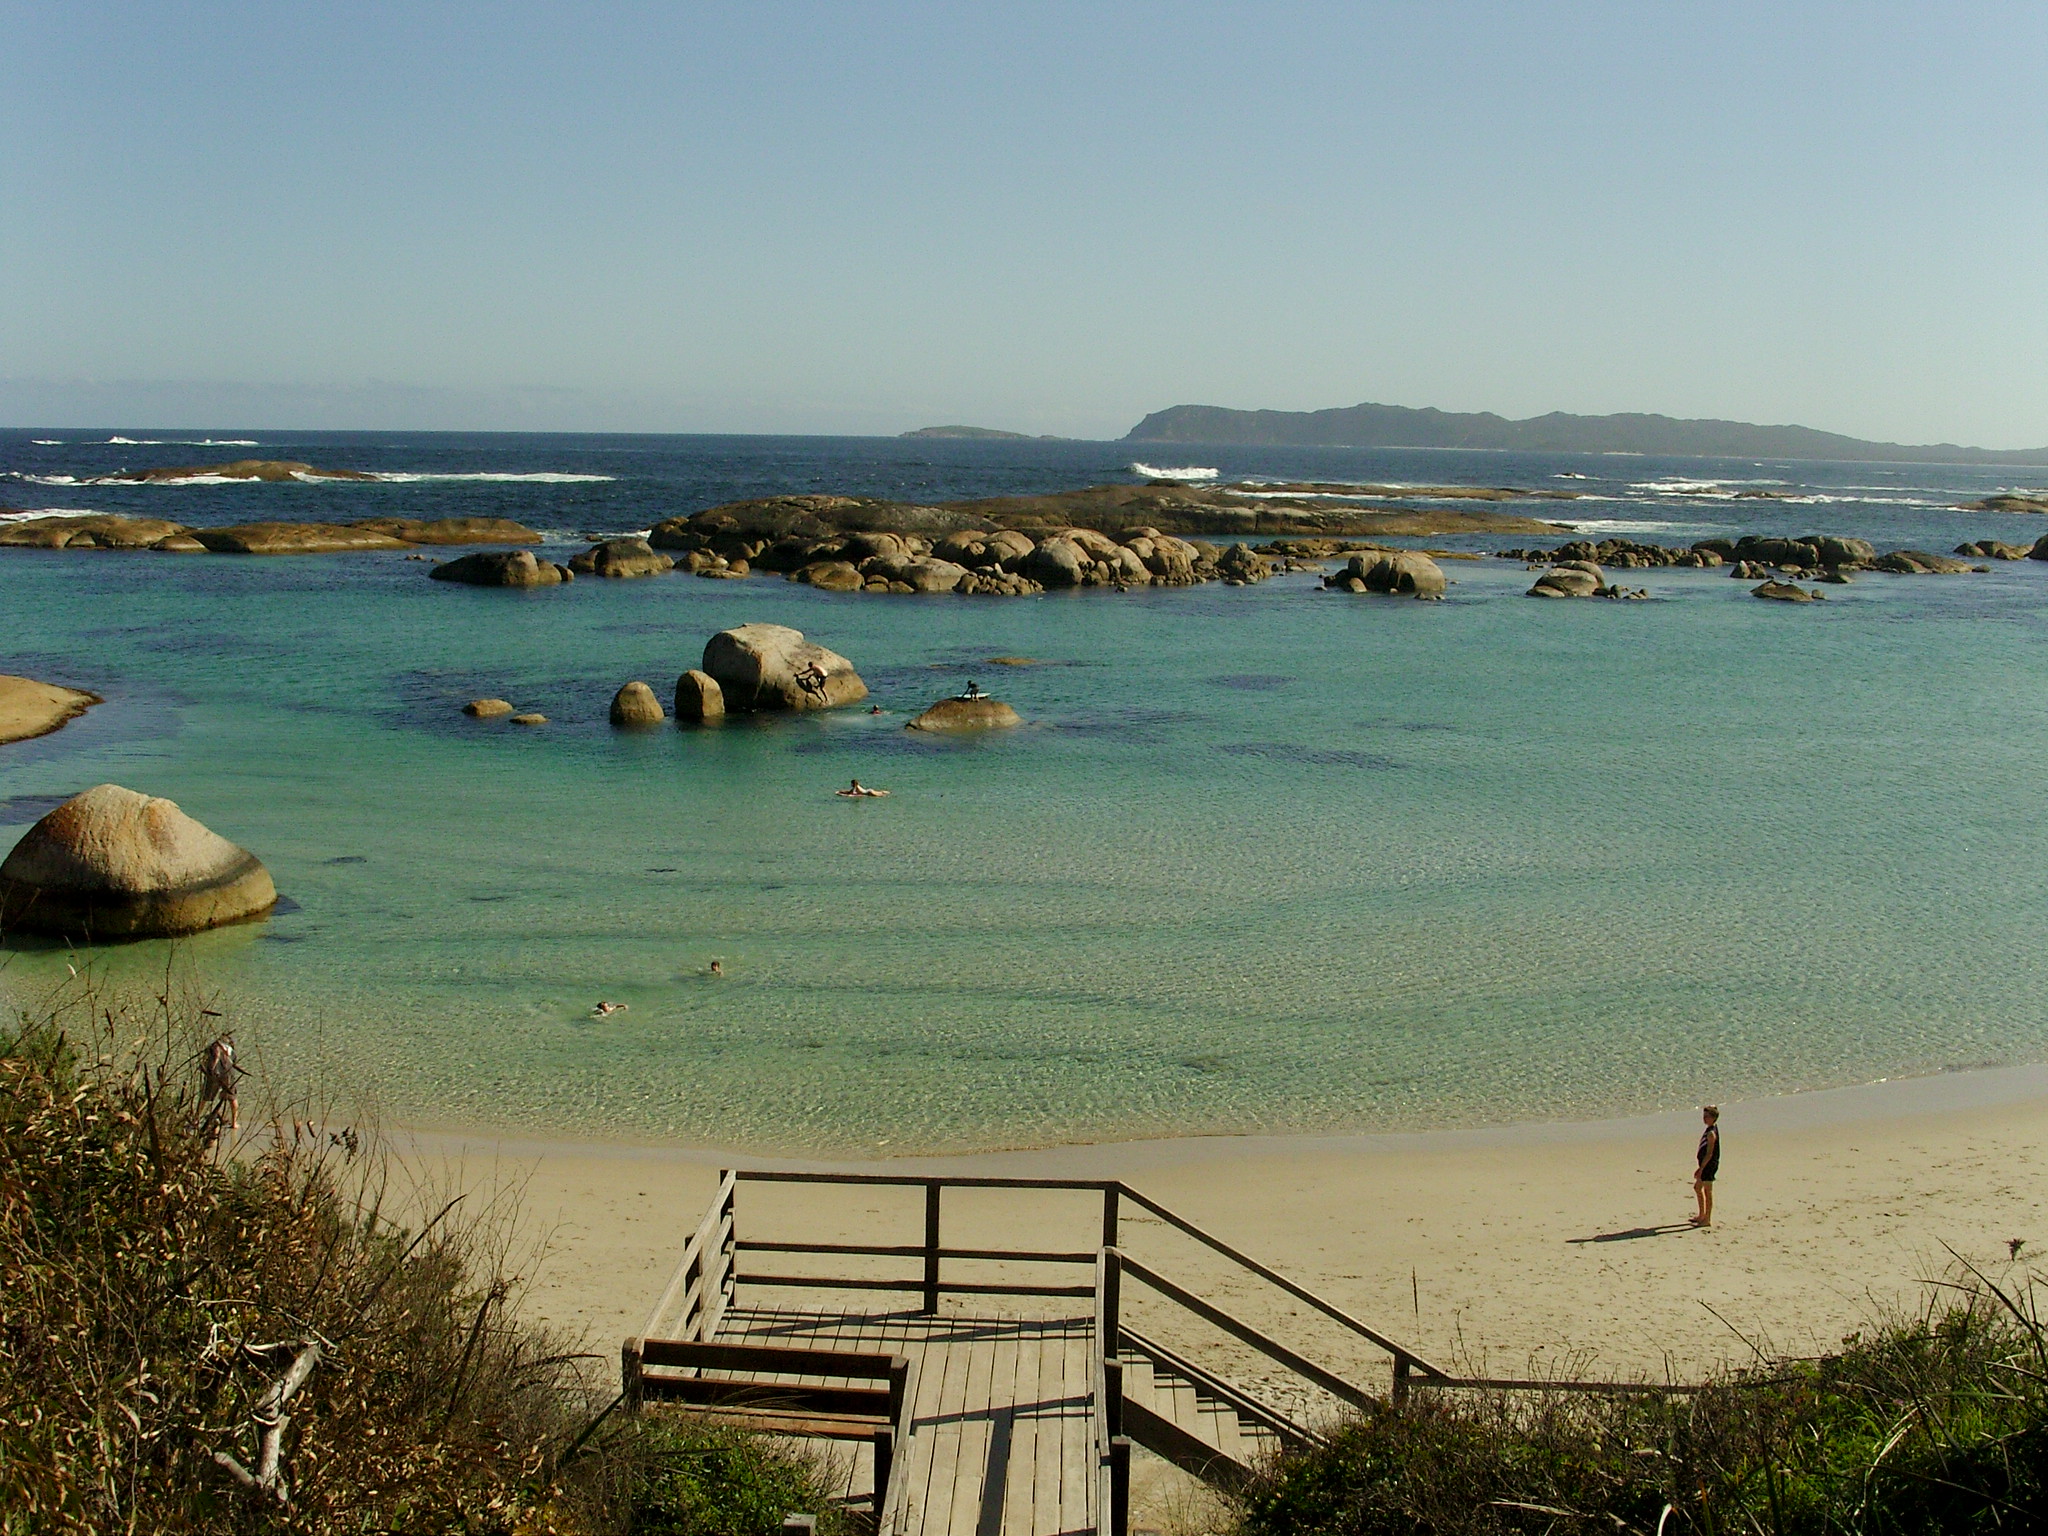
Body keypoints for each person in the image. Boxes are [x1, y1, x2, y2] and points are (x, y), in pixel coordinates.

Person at [201, 1033, 243, 1133]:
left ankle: (196, 1119)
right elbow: (234, 1062)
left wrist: (207, 1070)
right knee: (232, 1097)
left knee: (205, 1097)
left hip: (213, 1073)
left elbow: (204, 1061)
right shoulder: (230, 1050)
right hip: (228, 1073)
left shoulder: (211, 1047)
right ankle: (234, 1123)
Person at [1691, 1105, 1720, 1227]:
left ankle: (1707, 1219)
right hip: (1703, 1164)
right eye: (1704, 1116)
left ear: (1713, 1118)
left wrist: (1701, 1168)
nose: (1704, 1119)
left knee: (1707, 1191)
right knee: (1698, 1188)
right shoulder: (1709, 1129)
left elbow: (1710, 1153)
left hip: (1708, 1166)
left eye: (1707, 1116)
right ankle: (1701, 1214)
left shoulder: (1711, 1133)